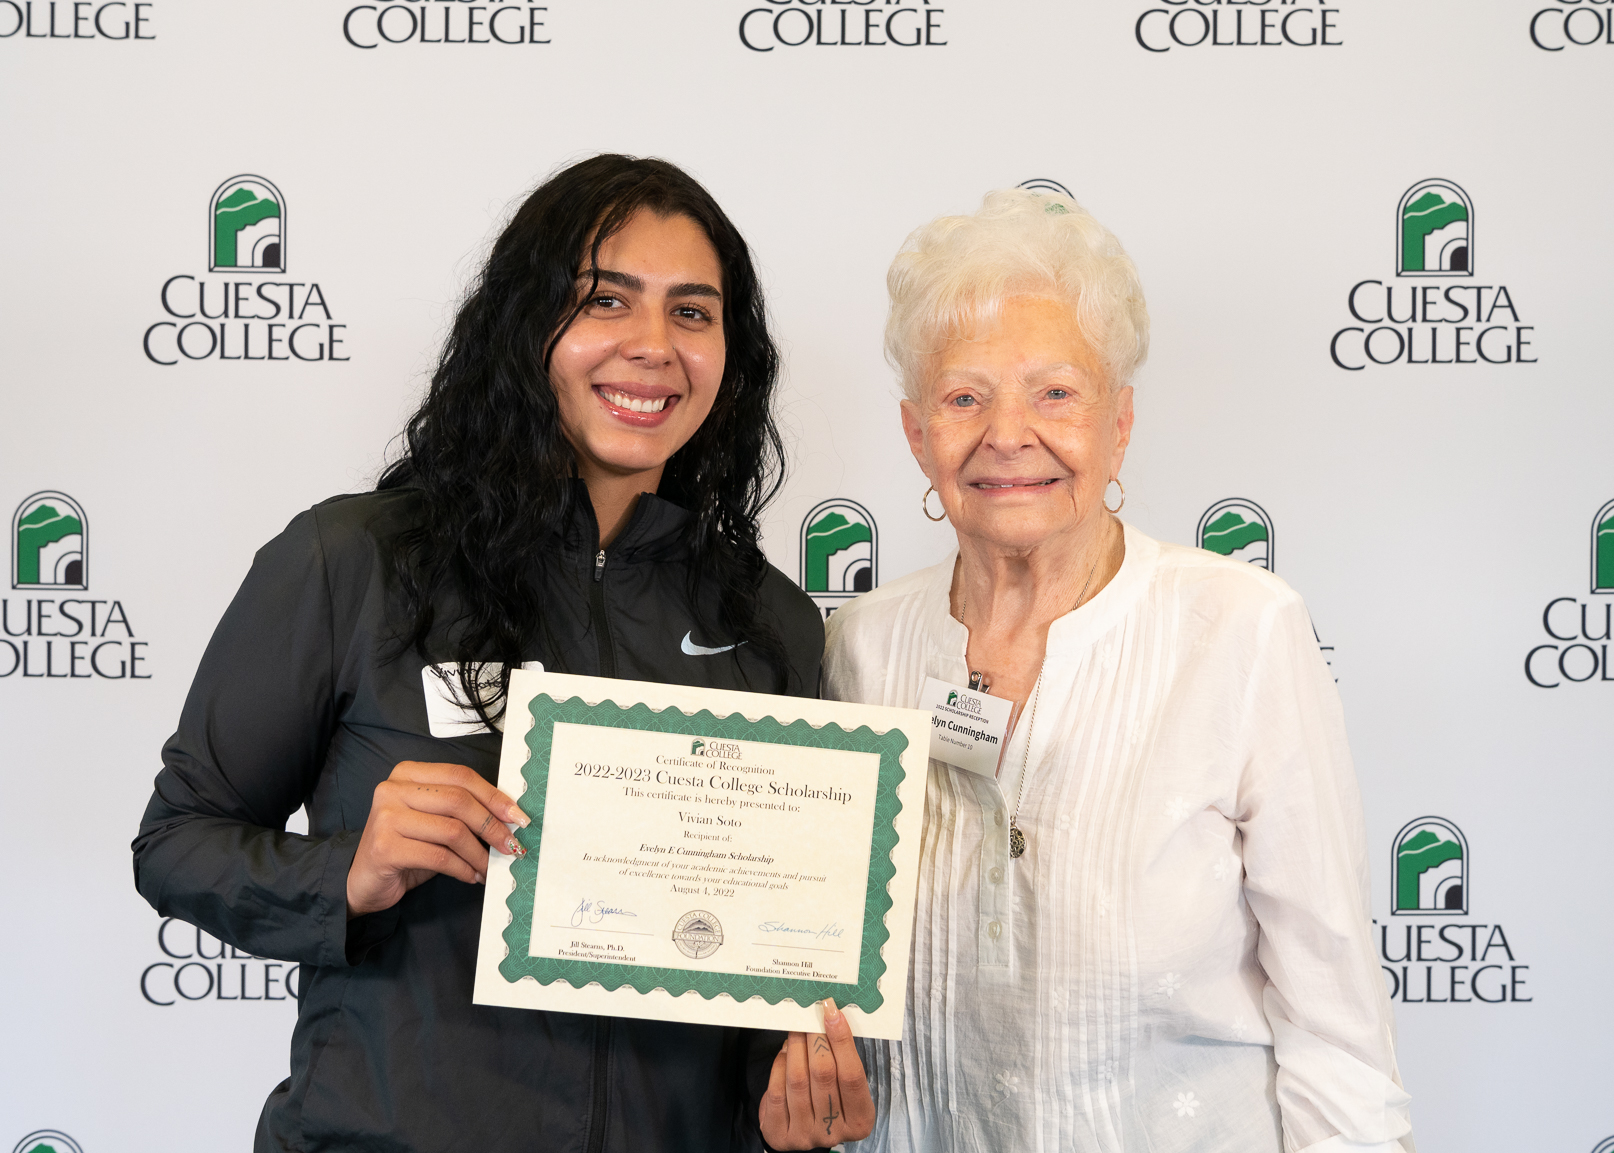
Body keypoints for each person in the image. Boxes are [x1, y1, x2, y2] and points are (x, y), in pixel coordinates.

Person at [132, 154, 872, 1153]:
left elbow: (757, 971)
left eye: (693, 312)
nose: (655, 345)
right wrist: (350, 871)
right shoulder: (355, 560)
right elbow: (177, 841)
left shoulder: (770, 620)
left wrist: (781, 1099)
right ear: (527, 325)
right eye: (606, 300)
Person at [823, 188, 1414, 1152]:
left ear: (1120, 422)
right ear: (916, 433)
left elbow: (1337, 1030)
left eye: (1055, 392)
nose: (1007, 432)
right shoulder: (861, 646)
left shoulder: (1242, 630)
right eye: (964, 397)